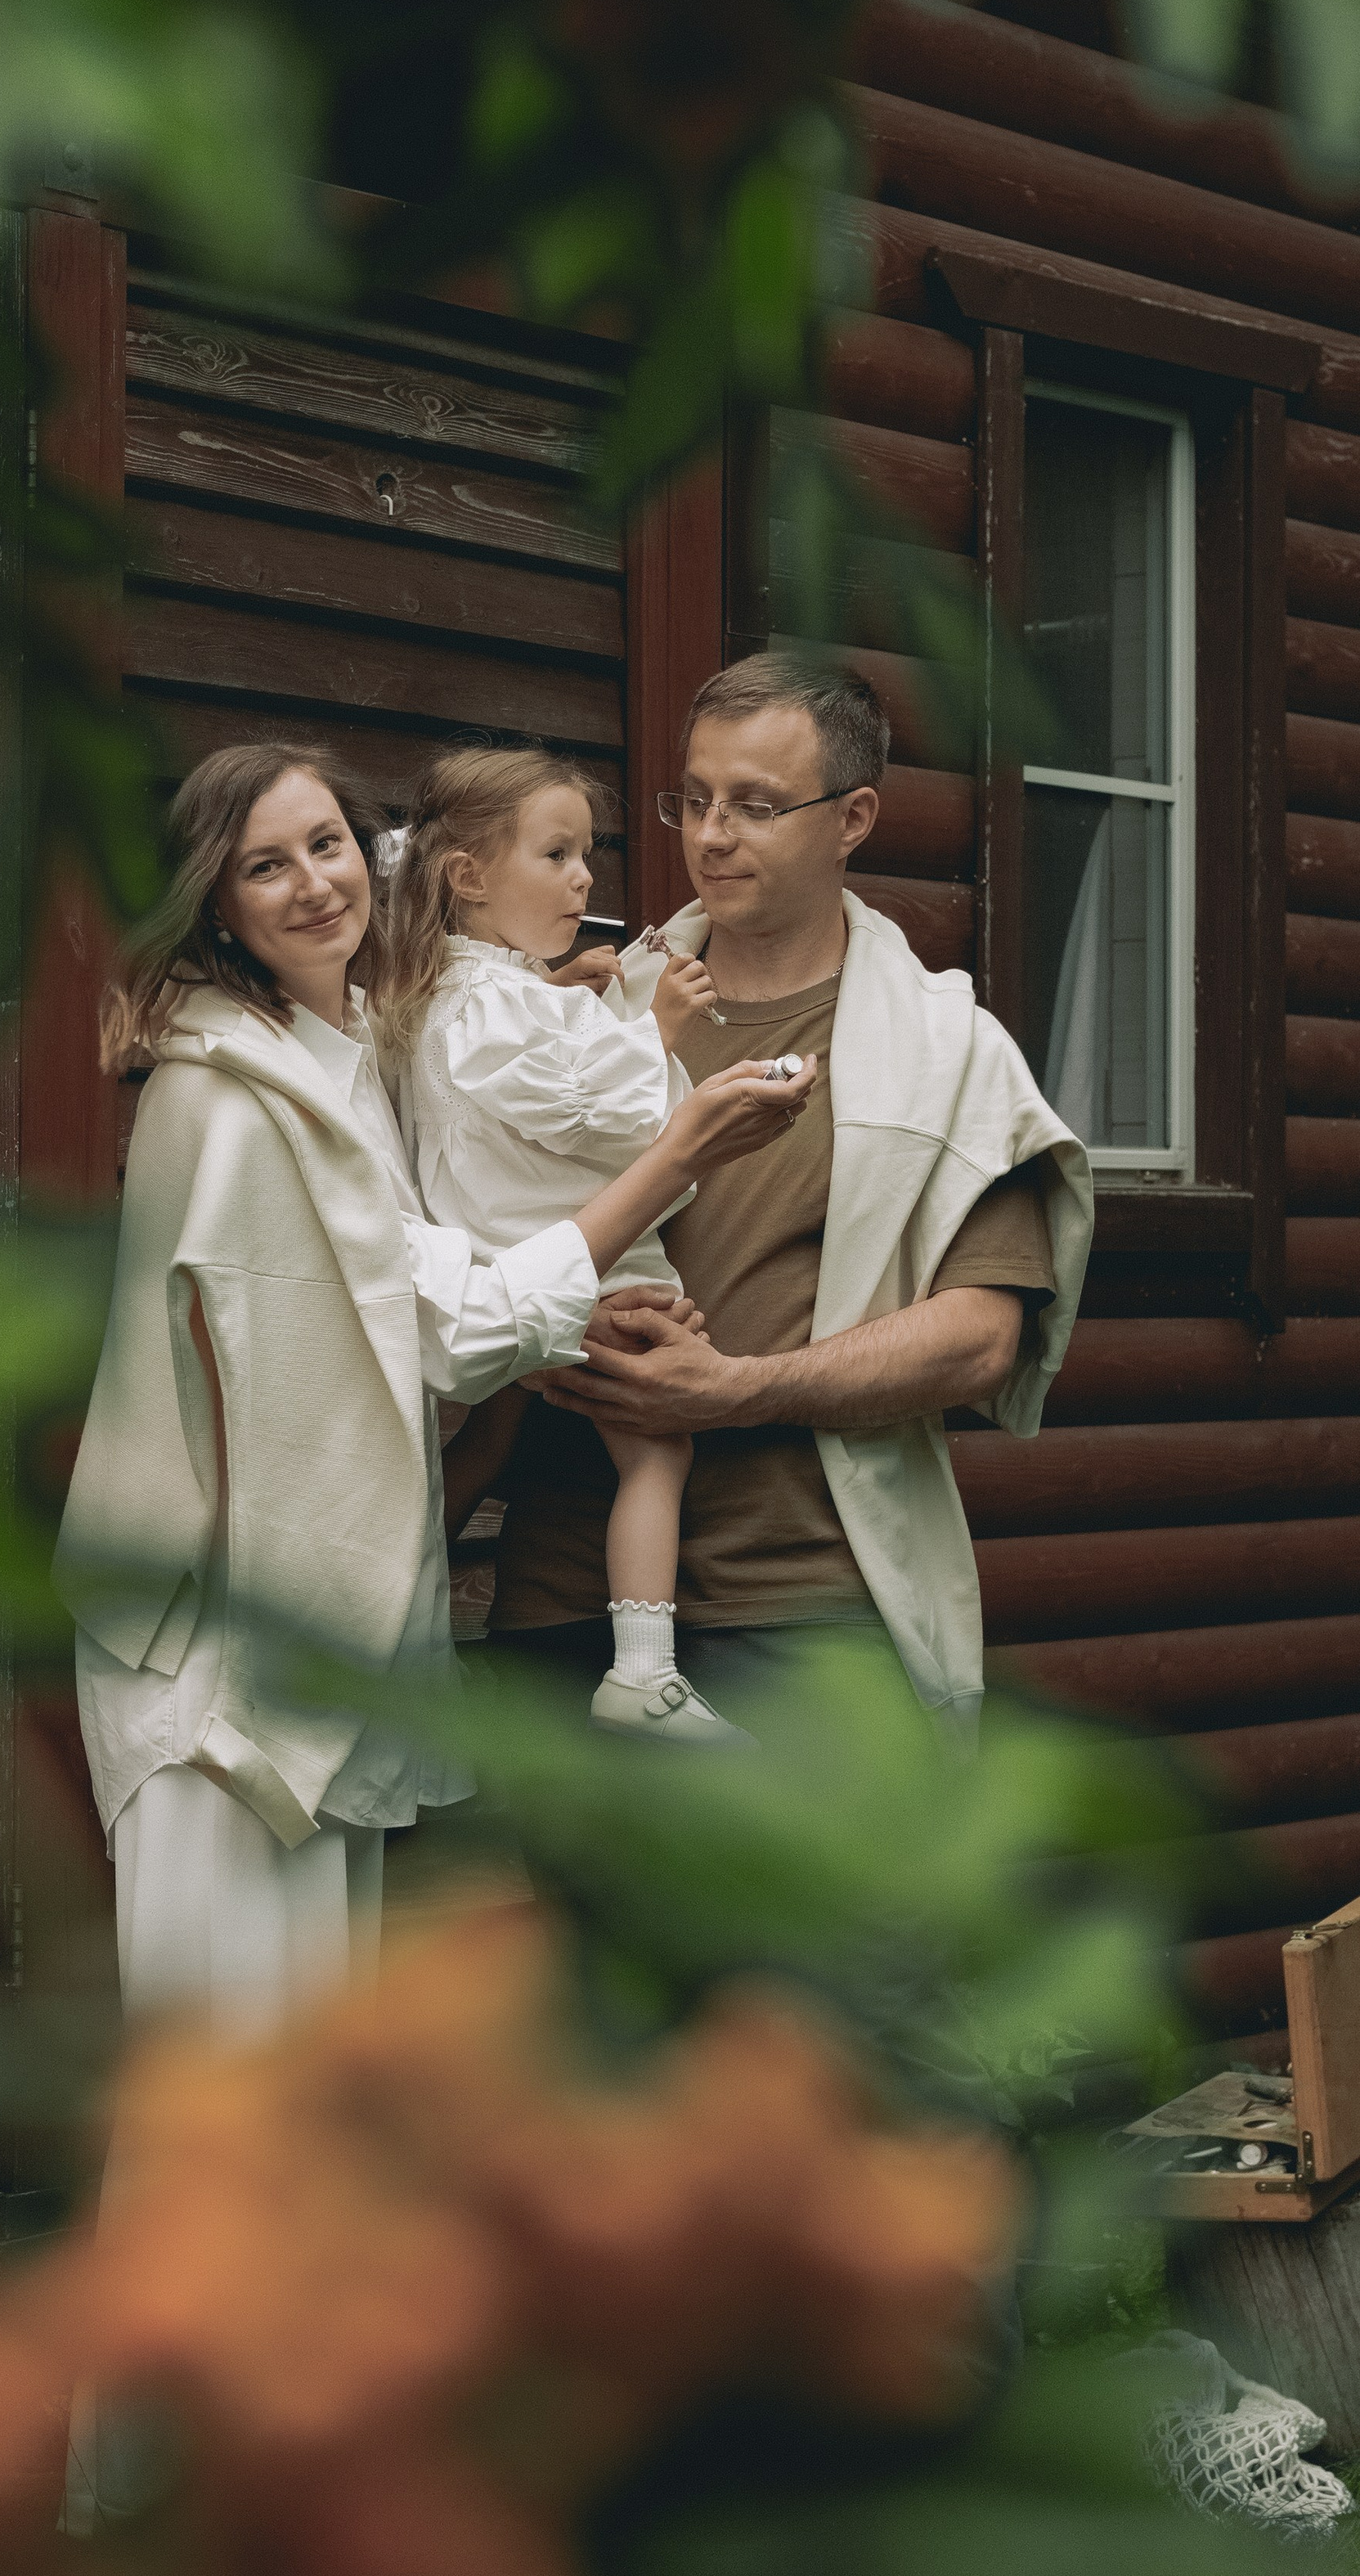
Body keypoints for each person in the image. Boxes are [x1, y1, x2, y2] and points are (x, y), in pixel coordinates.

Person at [53, 739, 815, 2034]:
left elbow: (436, 1257)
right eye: (264, 866)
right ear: (217, 902)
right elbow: (452, 1331)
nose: (310, 885)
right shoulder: (237, 1111)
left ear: (374, 856)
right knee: (236, 2133)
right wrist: (675, 1148)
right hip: (223, 1687)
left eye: (327, 845)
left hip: (312, 1658)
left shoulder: (336, 1060)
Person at [466, 653, 1094, 1733]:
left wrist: (738, 1390)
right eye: (694, 800)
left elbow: (983, 1339)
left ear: (852, 818)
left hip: (807, 1605)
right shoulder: (579, 1008)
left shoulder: (948, 1050)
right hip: (564, 1592)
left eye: (754, 806)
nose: (710, 835)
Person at [381, 745, 750, 1746]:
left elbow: (534, 1081)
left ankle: (389, 1604)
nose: (584, 878)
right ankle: (643, 1670)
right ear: (467, 877)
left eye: (585, 855)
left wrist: (574, 993)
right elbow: (593, 1111)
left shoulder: (466, 992)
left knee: (487, 1441)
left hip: (502, 1264)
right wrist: (660, 1030)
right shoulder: (486, 1001)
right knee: (659, 1450)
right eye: (555, 855)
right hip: (563, 1267)